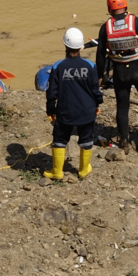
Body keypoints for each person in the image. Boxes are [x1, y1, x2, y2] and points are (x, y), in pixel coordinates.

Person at [95, 0, 138, 154]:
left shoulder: (106, 27)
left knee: (122, 107)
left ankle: (124, 143)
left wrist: (100, 75)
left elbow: (100, 55)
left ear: (109, 8)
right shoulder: (137, 22)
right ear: (125, 5)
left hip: (120, 73)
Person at [44, 28, 104, 180]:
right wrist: (97, 104)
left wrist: (50, 110)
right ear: (81, 47)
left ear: (65, 45)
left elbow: (52, 93)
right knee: (87, 139)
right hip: (87, 111)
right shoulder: (90, 66)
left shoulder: (58, 66)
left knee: (59, 140)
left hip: (65, 111)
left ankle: (57, 171)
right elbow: (95, 90)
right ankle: (83, 170)